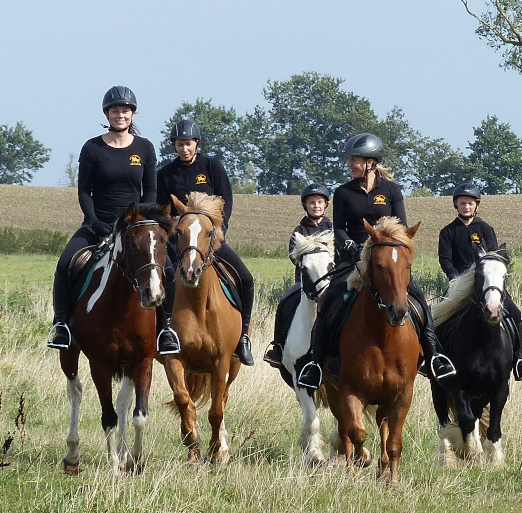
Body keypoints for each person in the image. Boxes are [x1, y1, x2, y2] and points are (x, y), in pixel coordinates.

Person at [295, 132, 455, 389]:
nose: (349, 164)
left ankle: (435, 356)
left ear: (370, 162)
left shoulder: (391, 190)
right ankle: (314, 363)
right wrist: (348, 243)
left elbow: (401, 227)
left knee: (418, 300)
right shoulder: (343, 192)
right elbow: (340, 228)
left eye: (354, 160)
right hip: (354, 260)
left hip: (387, 259)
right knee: (328, 301)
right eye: (350, 160)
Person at [46, 86, 179, 354]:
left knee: (168, 270)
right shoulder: (92, 148)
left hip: (135, 227)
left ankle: (165, 328)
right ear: (107, 114)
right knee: (64, 264)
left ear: (133, 114)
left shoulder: (145, 148)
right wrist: (94, 222)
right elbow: (84, 191)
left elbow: (150, 191)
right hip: (99, 224)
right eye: (116, 110)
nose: (121, 115)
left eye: (126, 110)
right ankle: (62, 325)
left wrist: (139, 221)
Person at [155, 119, 255, 366]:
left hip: (210, 241)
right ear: (174, 146)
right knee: (159, 279)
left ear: (196, 143)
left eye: (188, 144)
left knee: (246, 278)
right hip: (178, 242)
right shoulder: (165, 174)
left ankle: (242, 338)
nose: (184, 149)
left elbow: (226, 200)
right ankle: (164, 331)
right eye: (179, 144)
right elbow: (161, 210)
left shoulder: (211, 167)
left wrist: (220, 230)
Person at [438, 183, 522, 381]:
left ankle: (518, 360)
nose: (466, 206)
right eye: (462, 203)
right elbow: (445, 260)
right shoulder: (448, 232)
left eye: (470, 203)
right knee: (439, 319)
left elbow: (494, 257)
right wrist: (456, 281)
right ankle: (437, 360)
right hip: (459, 286)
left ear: (477, 205)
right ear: (456, 205)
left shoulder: (485, 229)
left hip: (487, 284)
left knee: (515, 312)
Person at [263, 183, 334, 367]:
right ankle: (278, 346)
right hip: (305, 282)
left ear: (326, 204)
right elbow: (293, 255)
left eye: (319, 202)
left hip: (330, 280)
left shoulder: (332, 229)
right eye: (312, 202)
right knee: (285, 301)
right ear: (305, 206)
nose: (316, 205)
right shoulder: (299, 230)